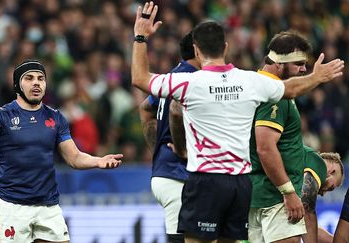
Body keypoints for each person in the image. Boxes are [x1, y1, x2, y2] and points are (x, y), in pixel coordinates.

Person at [131, 2, 344, 242]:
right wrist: (316, 78)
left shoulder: (187, 83)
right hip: (240, 184)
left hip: (205, 180)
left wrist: (140, 37)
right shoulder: (248, 81)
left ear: (197, 51)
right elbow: (289, 89)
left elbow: (140, 79)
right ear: (225, 46)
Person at [0, 59, 123, 243]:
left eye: (41, 78)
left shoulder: (55, 117)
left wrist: (97, 161)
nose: (36, 82)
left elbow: (74, 157)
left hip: (48, 205)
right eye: (29, 78)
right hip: (13, 206)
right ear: (17, 85)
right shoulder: (3, 116)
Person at [248, 31, 317, 243]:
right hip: (275, 197)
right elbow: (265, 147)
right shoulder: (274, 94)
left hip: (255, 193)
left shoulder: (257, 85)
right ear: (279, 64)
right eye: (298, 64)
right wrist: (288, 192)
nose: (304, 69)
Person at [139, 31, 200, 243]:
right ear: (199, 51)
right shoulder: (193, 79)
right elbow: (175, 109)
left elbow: (145, 108)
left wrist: (157, 147)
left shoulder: (170, 77)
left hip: (166, 170)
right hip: (178, 174)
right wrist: (182, 149)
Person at [301, 146, 344, 243]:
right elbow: (307, 212)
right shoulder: (318, 164)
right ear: (331, 171)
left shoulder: (306, 159)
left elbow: (307, 226)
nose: (324, 193)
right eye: (331, 188)